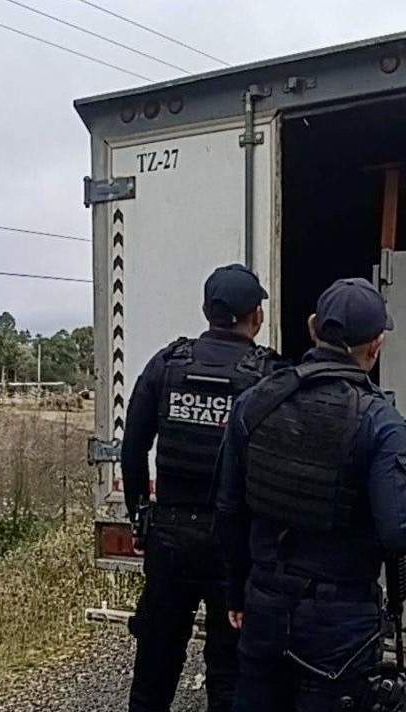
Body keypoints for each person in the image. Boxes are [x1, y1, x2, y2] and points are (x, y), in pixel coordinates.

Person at [215, 277, 406, 712]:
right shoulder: (380, 421)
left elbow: (229, 510)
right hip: (340, 625)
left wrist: (236, 593)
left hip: (265, 607)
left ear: (313, 327)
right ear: (377, 344)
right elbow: (400, 532)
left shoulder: (255, 402)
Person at [121, 264, 285, 712]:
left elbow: (132, 449)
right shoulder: (268, 375)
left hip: (169, 537)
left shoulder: (167, 363)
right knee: (229, 672)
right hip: (233, 545)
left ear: (205, 310)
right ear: (257, 315)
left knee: (154, 664)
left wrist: (140, 516)